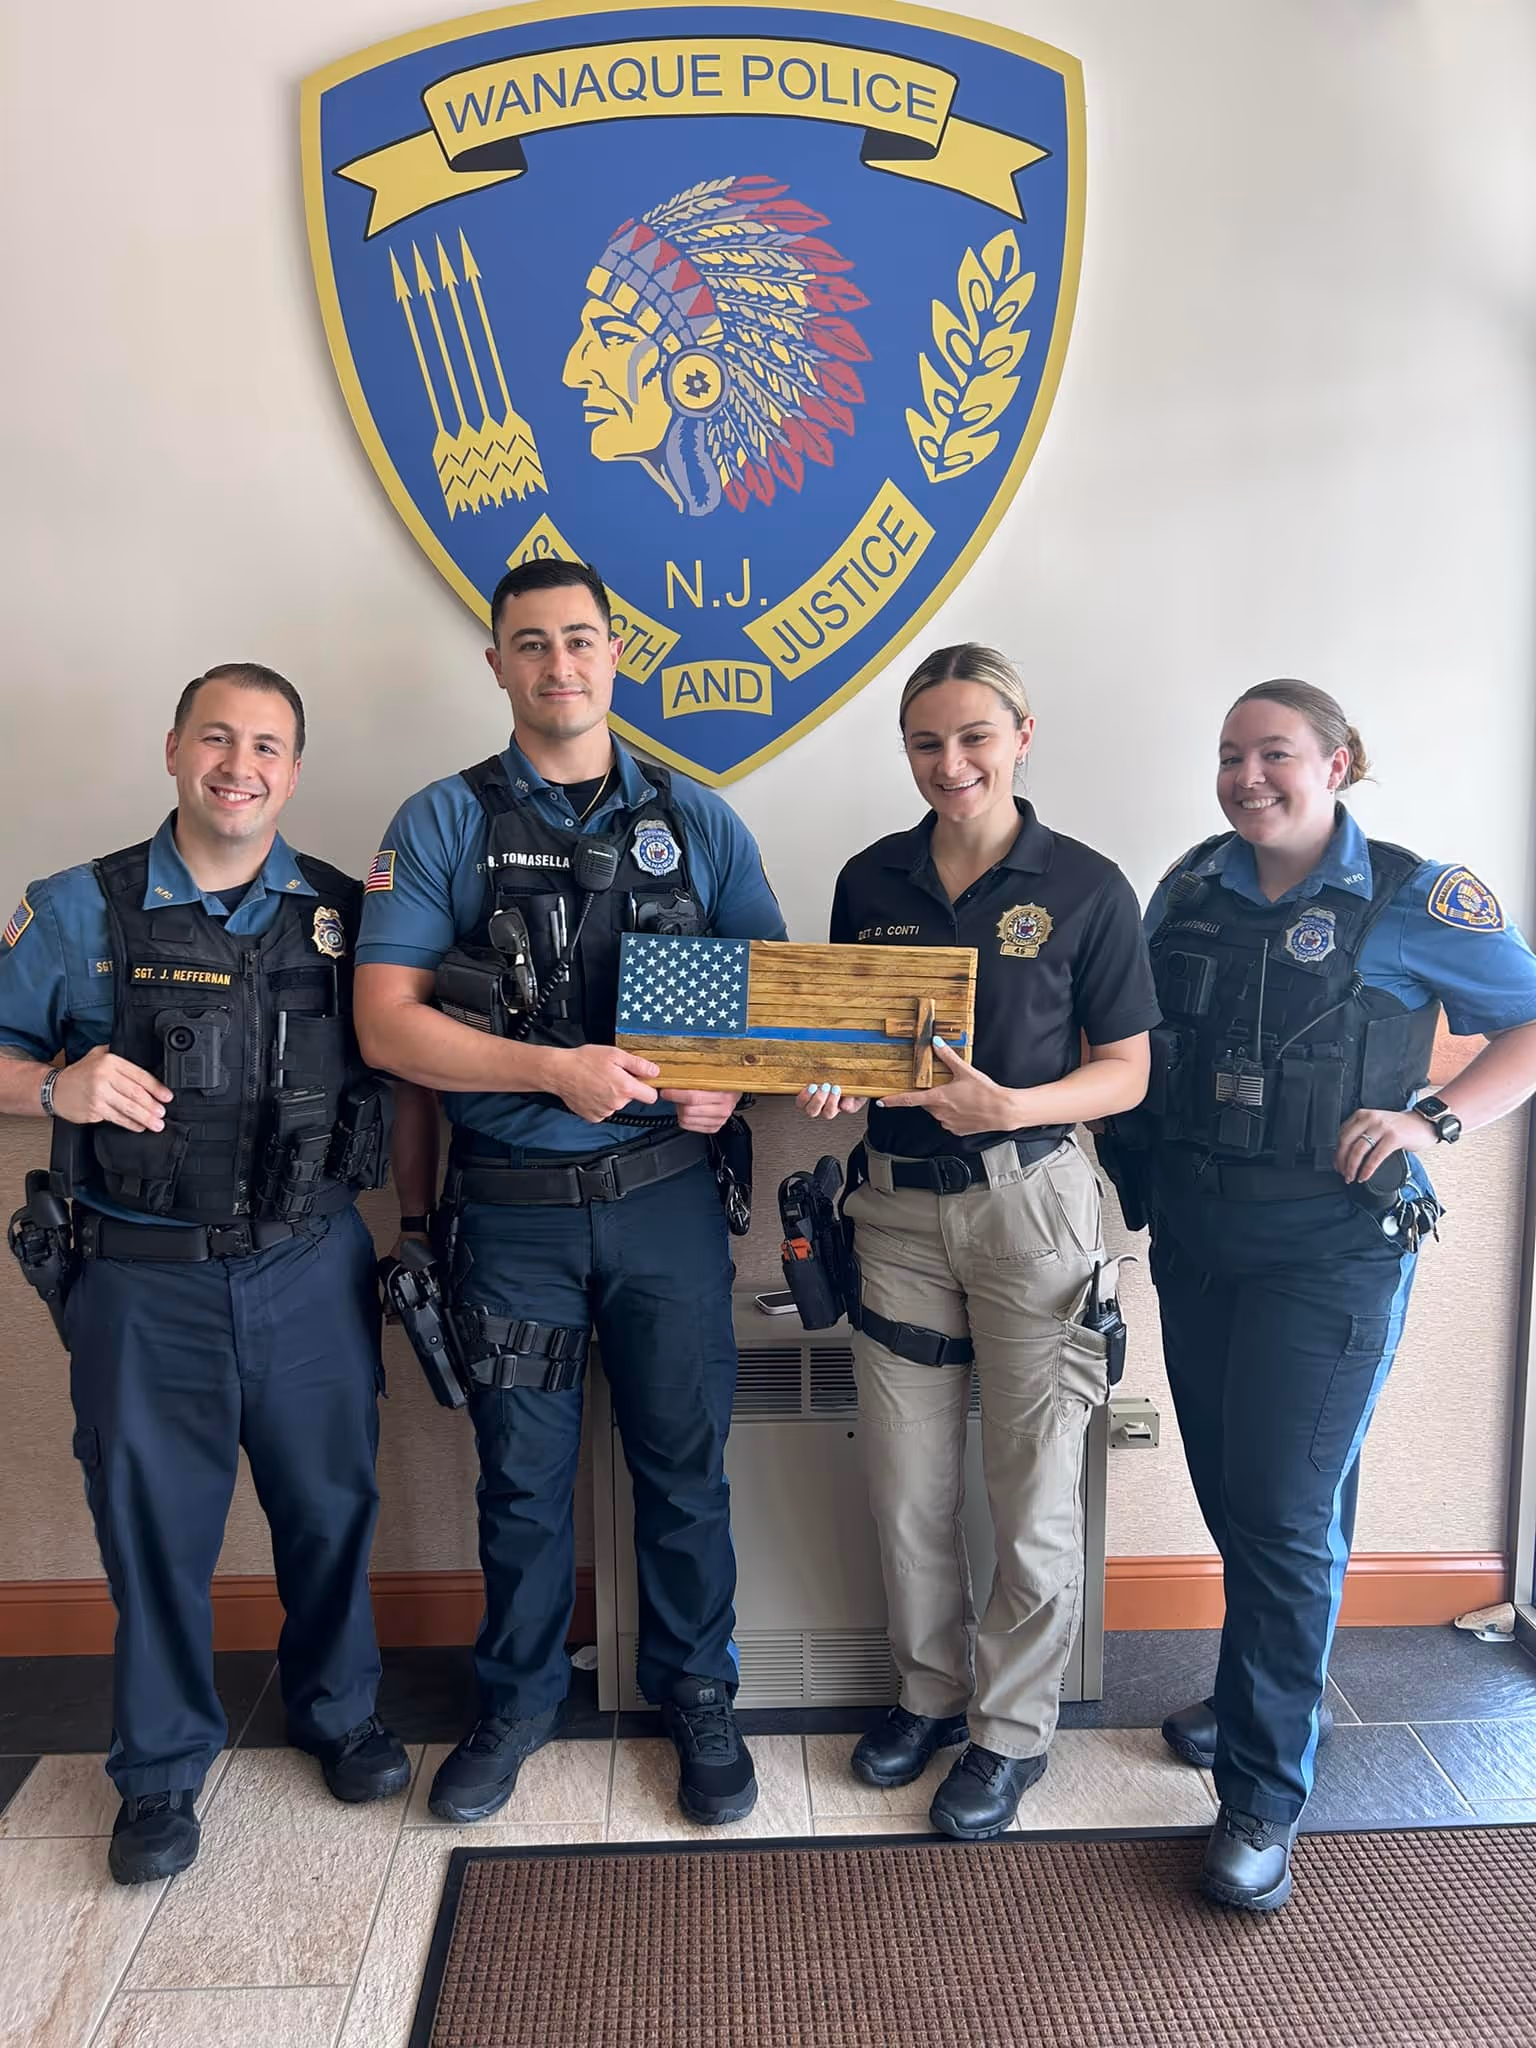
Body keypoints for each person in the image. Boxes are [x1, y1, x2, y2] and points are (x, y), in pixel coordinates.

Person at [353, 557, 786, 1827]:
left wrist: (731, 1089)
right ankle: (518, 1702)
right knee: (522, 1477)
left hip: (664, 1200)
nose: (560, 665)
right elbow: (388, 1028)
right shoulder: (439, 821)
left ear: (615, 655)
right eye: (531, 644)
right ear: (496, 664)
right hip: (514, 1214)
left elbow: (773, 1002)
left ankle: (698, 1695)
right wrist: (552, 1067)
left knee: (684, 1467)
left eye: (581, 640)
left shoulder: (699, 820)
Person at [0, 664, 434, 1885]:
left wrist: (418, 1224)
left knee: (332, 1509)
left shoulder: (353, 916)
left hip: (310, 1262)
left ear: (295, 771)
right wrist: (51, 1086)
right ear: (174, 748)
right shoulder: (77, 908)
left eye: (269, 746)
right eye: (218, 738)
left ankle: (339, 1711)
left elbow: (400, 1079)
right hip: (143, 1280)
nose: (240, 765)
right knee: (153, 1532)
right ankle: (159, 1769)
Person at [1126, 679, 1536, 1911]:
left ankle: (1261, 1793)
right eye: (1229, 754)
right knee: (1249, 1493)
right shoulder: (1190, 882)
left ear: (1341, 760)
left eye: (1276, 753)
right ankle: (1265, 1684)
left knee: (1288, 1507)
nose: (1248, 775)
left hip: (1332, 1255)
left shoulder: (1417, 897)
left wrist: (1434, 1117)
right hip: (1198, 1239)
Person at [798, 643, 1158, 1839]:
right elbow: (855, 1037)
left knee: (1034, 1482)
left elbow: (1128, 1070)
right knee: (908, 1485)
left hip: (1033, 1204)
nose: (949, 763)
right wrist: (835, 1083)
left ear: (1021, 735)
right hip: (894, 1208)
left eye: (972, 737)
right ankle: (927, 1694)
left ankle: (1009, 1731)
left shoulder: (1090, 886)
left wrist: (1014, 1103)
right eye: (924, 741)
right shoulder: (870, 877)